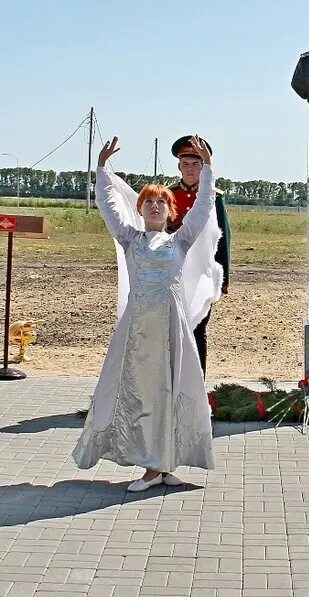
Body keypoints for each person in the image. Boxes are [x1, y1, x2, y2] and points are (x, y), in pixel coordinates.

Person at [73, 136, 222, 492]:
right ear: (139, 210)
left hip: (172, 328)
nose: (155, 206)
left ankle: (167, 464)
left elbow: (202, 207)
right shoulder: (129, 239)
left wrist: (209, 168)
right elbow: (108, 206)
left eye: (161, 202)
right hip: (138, 333)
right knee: (143, 394)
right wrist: (102, 169)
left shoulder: (180, 241)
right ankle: (150, 466)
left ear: (171, 212)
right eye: (148, 202)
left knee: (174, 390)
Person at [168, 134, 230, 376]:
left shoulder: (214, 197)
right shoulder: (168, 194)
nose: (190, 169)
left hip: (203, 273)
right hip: (174, 272)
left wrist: (223, 280)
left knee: (198, 329)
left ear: (203, 167)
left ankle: (197, 382)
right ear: (179, 166)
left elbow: (222, 238)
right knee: (173, 329)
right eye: (185, 164)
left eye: (195, 164)